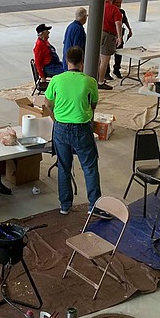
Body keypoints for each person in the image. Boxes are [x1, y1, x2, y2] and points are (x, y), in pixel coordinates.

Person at [44, 46, 111, 219]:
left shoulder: (56, 80)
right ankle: (94, 205)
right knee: (89, 167)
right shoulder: (90, 81)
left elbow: (47, 104)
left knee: (64, 167)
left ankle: (65, 205)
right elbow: (93, 105)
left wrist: (56, 118)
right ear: (82, 62)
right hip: (82, 128)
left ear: (66, 61)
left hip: (60, 128)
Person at [99, 0, 122, 89]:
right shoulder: (114, 9)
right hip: (108, 35)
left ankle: (97, 78)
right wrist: (120, 37)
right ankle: (100, 81)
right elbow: (118, 23)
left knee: (99, 59)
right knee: (105, 60)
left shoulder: (99, 6)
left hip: (98, 33)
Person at [112, 0, 133, 79]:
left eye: (120, 3)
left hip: (120, 35)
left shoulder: (121, 12)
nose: (119, 4)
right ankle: (107, 71)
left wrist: (129, 29)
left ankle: (116, 69)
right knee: (108, 53)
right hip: (113, 35)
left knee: (119, 53)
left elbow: (125, 21)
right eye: (117, 2)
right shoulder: (112, 11)